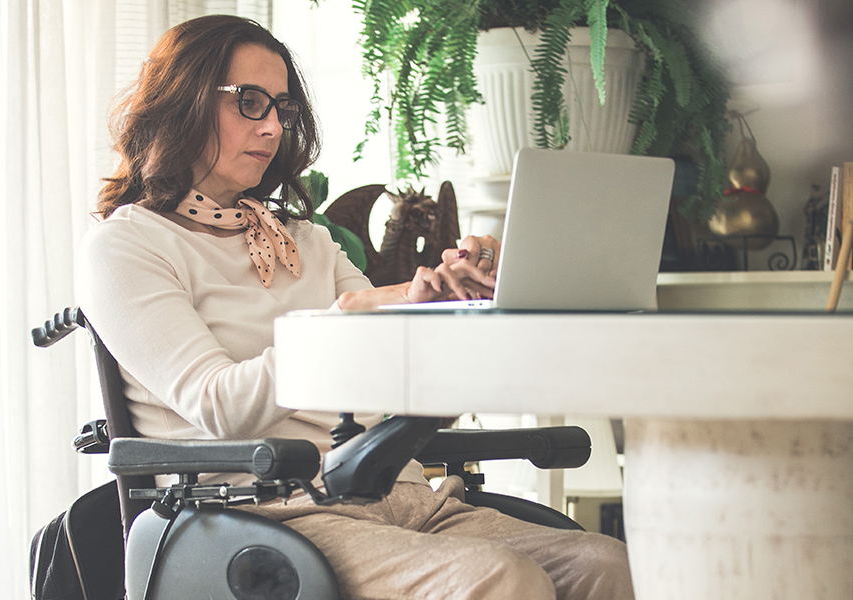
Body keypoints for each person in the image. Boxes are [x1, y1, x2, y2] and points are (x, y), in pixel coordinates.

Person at [78, 14, 633, 600]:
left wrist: (454, 301)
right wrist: (348, 319)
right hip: (267, 513)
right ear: (184, 100)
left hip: (400, 492)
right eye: (249, 102)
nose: (271, 127)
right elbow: (220, 406)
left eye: (282, 109)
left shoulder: (304, 240)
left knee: (604, 562)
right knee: (502, 579)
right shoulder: (127, 246)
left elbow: (393, 369)